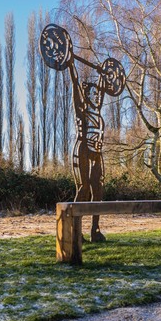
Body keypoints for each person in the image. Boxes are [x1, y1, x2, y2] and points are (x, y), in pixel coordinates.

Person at [68, 63, 107, 242]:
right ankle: (75, 231)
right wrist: (70, 65)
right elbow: (75, 83)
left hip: (96, 154)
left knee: (97, 191)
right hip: (83, 150)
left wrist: (102, 75)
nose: (97, 97)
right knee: (83, 189)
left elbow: (104, 88)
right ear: (86, 95)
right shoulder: (81, 111)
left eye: (98, 94)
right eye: (94, 94)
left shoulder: (98, 114)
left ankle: (95, 230)